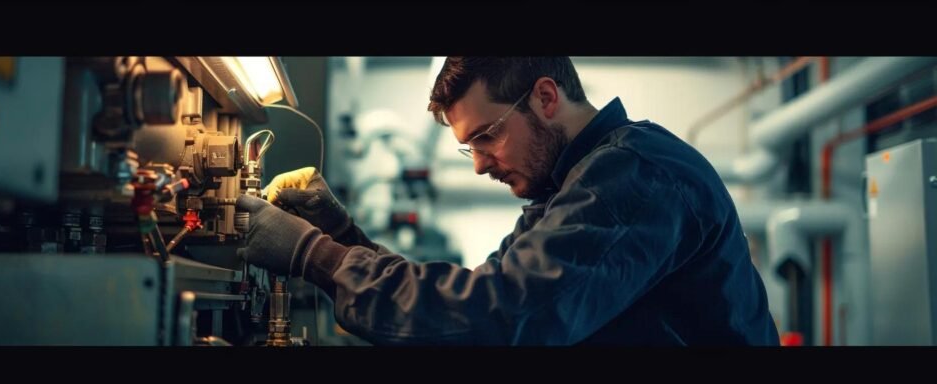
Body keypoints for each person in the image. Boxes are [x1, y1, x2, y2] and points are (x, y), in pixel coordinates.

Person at [235, 57, 779, 345]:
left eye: (486, 136)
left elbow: (501, 322)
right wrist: (339, 235)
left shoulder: (633, 177)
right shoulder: (568, 188)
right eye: (467, 147)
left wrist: (314, 256)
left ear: (545, 97)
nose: (478, 164)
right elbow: (470, 301)